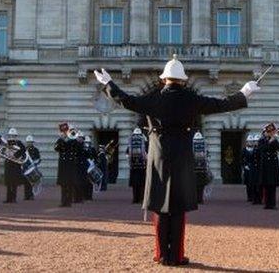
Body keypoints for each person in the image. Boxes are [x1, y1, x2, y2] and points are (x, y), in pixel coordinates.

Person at [93, 55, 256, 267]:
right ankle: (176, 256)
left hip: (158, 154)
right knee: (178, 208)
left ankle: (162, 254)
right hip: (182, 154)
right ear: (182, 79)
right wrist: (244, 93)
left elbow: (127, 100)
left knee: (160, 206)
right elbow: (220, 105)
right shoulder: (190, 98)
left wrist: (108, 83)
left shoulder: (154, 97)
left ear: (164, 79)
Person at [257, 123, 279, 210]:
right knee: (266, 186)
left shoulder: (274, 140)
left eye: (272, 131)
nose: (271, 133)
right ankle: (267, 204)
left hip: (273, 165)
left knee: (273, 186)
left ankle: (273, 204)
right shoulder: (261, 140)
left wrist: (274, 140)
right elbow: (262, 149)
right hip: (265, 165)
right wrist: (269, 142)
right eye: (269, 131)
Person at [55, 123, 79, 207]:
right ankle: (63, 201)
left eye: (66, 131)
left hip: (70, 165)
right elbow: (56, 148)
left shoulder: (73, 140)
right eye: (64, 131)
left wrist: (72, 139)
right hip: (63, 165)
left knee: (70, 184)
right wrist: (62, 140)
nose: (65, 132)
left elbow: (77, 148)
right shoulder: (60, 140)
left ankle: (69, 202)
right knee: (63, 185)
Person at [2, 128, 26, 203]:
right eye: (10, 135)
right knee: (8, 182)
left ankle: (14, 198)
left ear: (16, 136)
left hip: (15, 164)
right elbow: (3, 151)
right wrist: (5, 153)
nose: (12, 136)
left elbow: (23, 150)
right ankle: (8, 198)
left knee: (14, 182)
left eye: (13, 135)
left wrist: (15, 155)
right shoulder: (6, 143)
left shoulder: (19, 143)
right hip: (8, 163)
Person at [127, 127, 147, 204]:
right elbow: (147, 154)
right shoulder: (144, 141)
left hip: (133, 167)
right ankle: (141, 199)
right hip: (142, 166)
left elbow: (127, 154)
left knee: (135, 185)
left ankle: (135, 199)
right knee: (142, 184)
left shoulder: (131, 142)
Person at [242, 134, 261, 205]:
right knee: (249, 183)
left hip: (255, 168)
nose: (250, 143)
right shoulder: (244, 149)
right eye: (249, 141)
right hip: (248, 167)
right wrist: (245, 166)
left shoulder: (256, 149)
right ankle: (250, 196)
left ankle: (255, 198)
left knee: (255, 184)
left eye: (252, 141)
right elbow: (242, 159)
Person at [193, 132, 211, 204]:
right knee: (196, 185)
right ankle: (197, 199)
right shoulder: (192, 147)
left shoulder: (204, 147)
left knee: (201, 185)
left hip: (201, 169)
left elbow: (207, 156)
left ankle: (200, 198)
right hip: (195, 168)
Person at [23, 135, 41, 200]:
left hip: (32, 168)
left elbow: (38, 159)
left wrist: (34, 163)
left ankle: (31, 195)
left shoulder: (36, 150)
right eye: (28, 142)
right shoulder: (24, 150)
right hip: (26, 168)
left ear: (32, 142)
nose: (29, 143)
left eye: (30, 142)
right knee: (26, 182)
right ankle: (26, 195)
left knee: (32, 182)